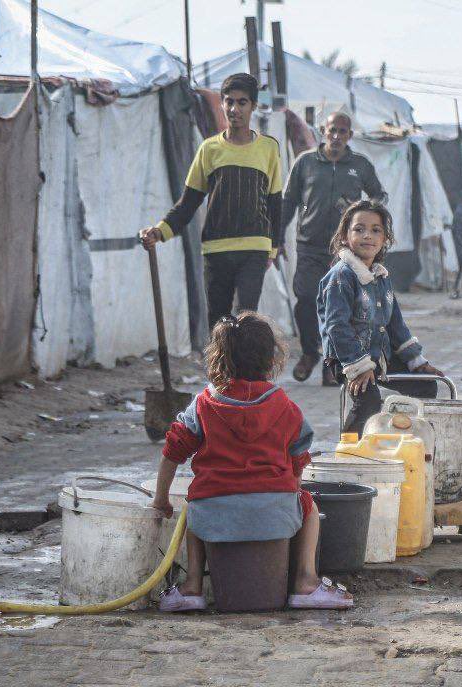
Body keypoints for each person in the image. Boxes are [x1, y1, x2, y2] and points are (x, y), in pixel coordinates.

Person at [151, 312, 353, 611]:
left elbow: (171, 452)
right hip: (275, 519)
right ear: (271, 360)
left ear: (219, 358)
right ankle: (306, 582)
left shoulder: (204, 404)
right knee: (308, 505)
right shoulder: (285, 406)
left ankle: (193, 585)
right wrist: (286, 497)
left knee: (193, 506)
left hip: (213, 517)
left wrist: (160, 500)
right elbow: (298, 464)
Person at [140, 73, 283, 330]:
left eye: (242, 102)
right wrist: (159, 231)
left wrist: (273, 248)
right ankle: (219, 372)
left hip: (254, 248)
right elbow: (189, 203)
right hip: (217, 248)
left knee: (246, 320)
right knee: (218, 324)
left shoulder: (269, 148)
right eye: (228, 102)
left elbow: (275, 203)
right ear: (221, 104)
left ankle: (245, 371)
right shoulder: (209, 149)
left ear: (253, 106)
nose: (234, 109)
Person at [318, 199, 444, 435]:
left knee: (425, 386)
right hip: (348, 358)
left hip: (380, 354)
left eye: (376, 230)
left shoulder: (381, 277)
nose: (368, 236)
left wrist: (417, 361)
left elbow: (396, 323)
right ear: (345, 235)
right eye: (359, 229)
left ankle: (403, 439)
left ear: (385, 239)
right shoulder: (341, 277)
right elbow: (337, 327)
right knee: (368, 400)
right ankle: (350, 455)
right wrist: (358, 366)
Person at [281, 111, 386, 385]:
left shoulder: (360, 165)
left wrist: (362, 214)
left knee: (338, 307)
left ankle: (333, 363)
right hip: (309, 245)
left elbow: (378, 195)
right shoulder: (305, 163)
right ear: (322, 132)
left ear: (350, 135)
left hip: (344, 249)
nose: (336, 136)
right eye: (332, 131)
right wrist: (276, 237)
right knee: (305, 299)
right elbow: (288, 201)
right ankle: (309, 352)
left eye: (342, 131)